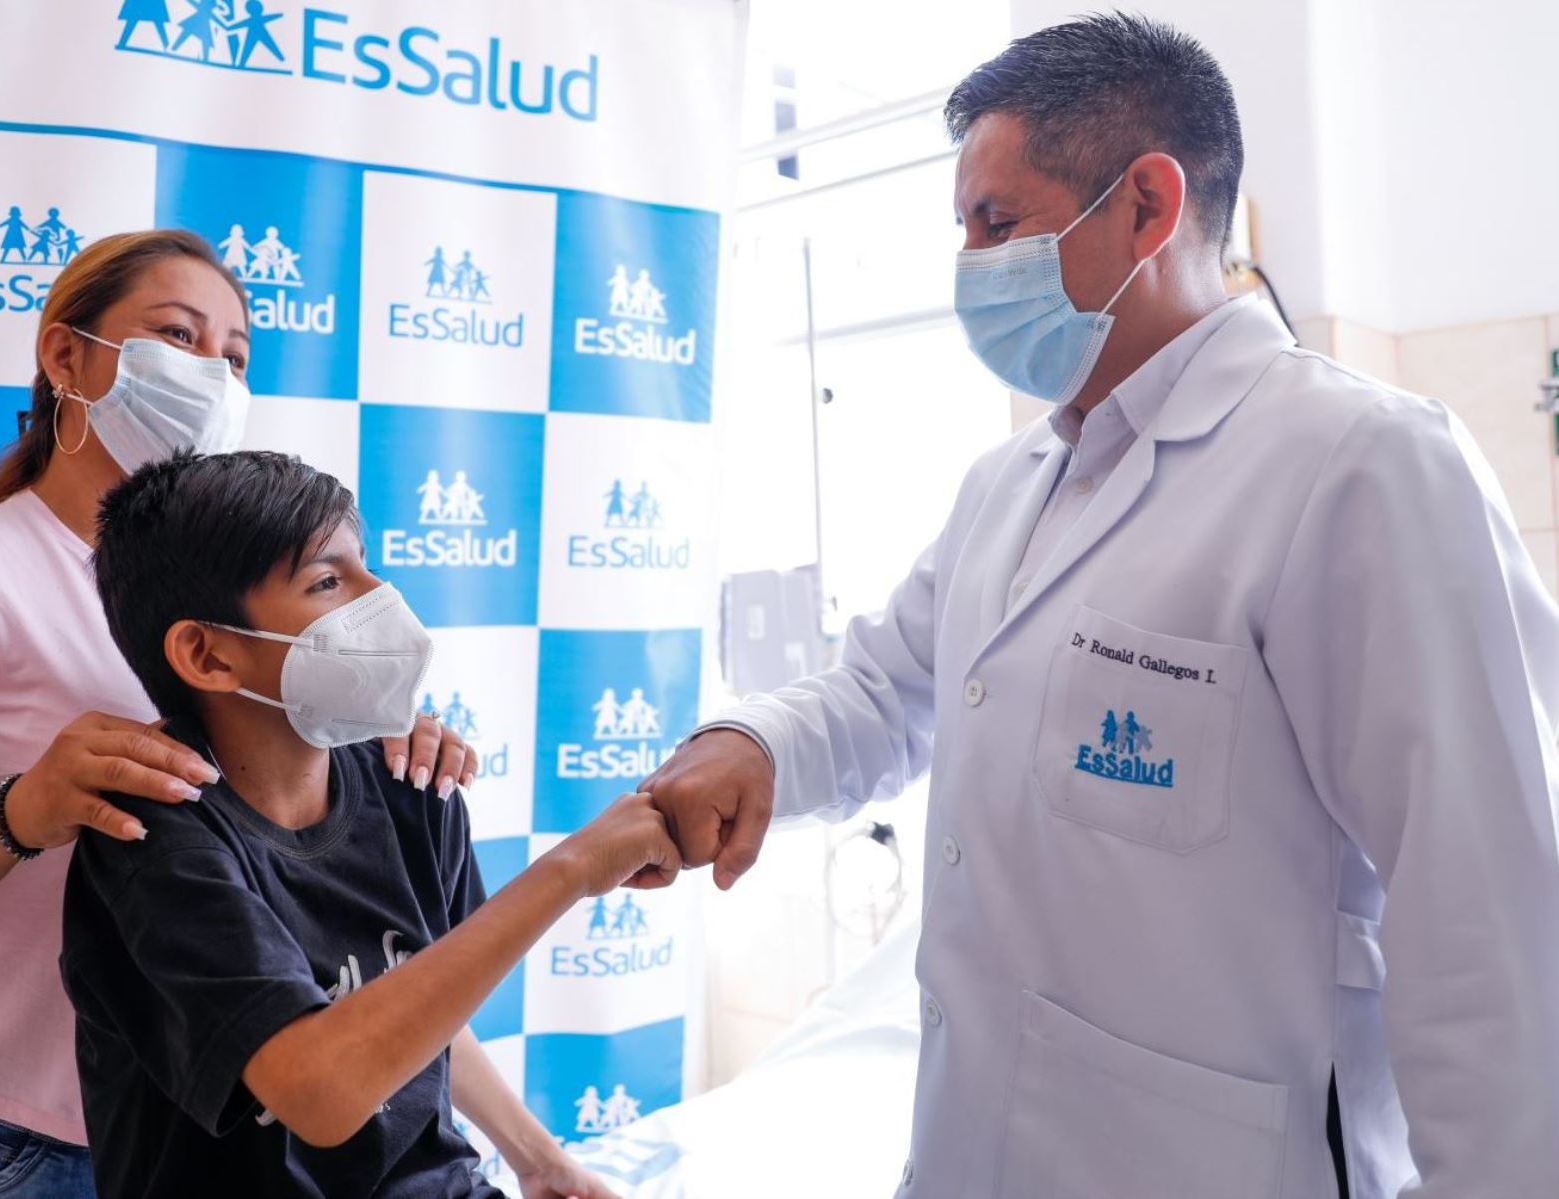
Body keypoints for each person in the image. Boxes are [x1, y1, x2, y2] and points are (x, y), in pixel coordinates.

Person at [642, 14, 1559, 1197]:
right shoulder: (1009, 486)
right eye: (964, 228)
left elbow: (1488, 923)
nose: (970, 264)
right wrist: (753, 740)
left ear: (1146, 206)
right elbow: (886, 685)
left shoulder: (1359, 467)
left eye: (998, 222)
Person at [0, 230, 475, 1198]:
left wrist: (385, 730)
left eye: (233, 356)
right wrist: (24, 809)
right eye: (177, 337)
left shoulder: (271, 590)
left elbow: (352, 907)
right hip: (31, 1141)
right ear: (66, 356)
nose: (212, 375)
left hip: (249, 1132)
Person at [67, 449, 671, 1198]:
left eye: (366, 566)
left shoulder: (412, 783)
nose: (381, 596)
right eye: (328, 582)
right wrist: (570, 869)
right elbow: (316, 1088)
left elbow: (419, 1005)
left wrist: (538, 1158)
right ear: (207, 653)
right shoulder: (156, 835)